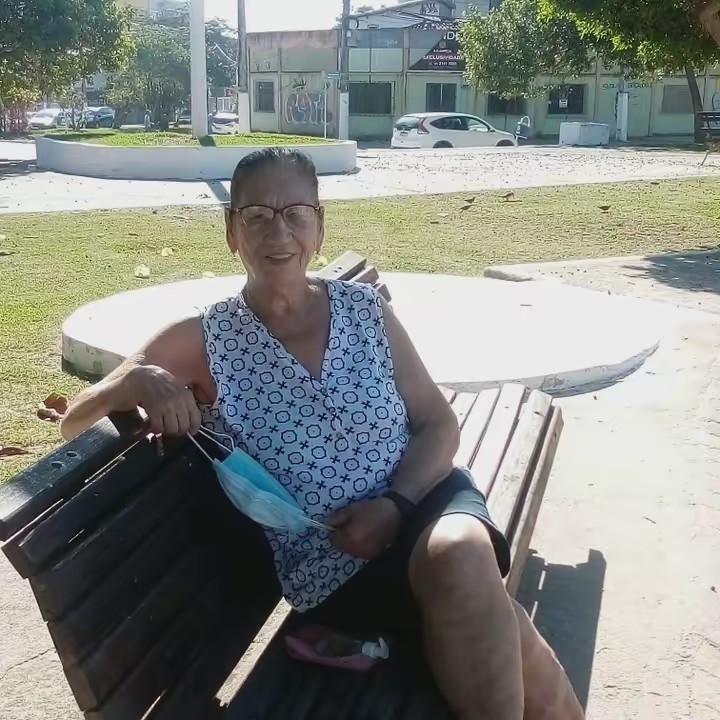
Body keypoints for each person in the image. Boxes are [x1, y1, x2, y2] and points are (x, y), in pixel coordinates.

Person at [61, 148, 583, 720]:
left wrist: (395, 503)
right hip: (337, 560)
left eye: (295, 213)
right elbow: (74, 422)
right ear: (231, 230)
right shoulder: (204, 339)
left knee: (462, 552)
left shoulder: (365, 311)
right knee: (495, 611)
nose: (278, 231)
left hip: (426, 499)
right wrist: (138, 378)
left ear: (319, 225)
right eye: (257, 215)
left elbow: (438, 423)